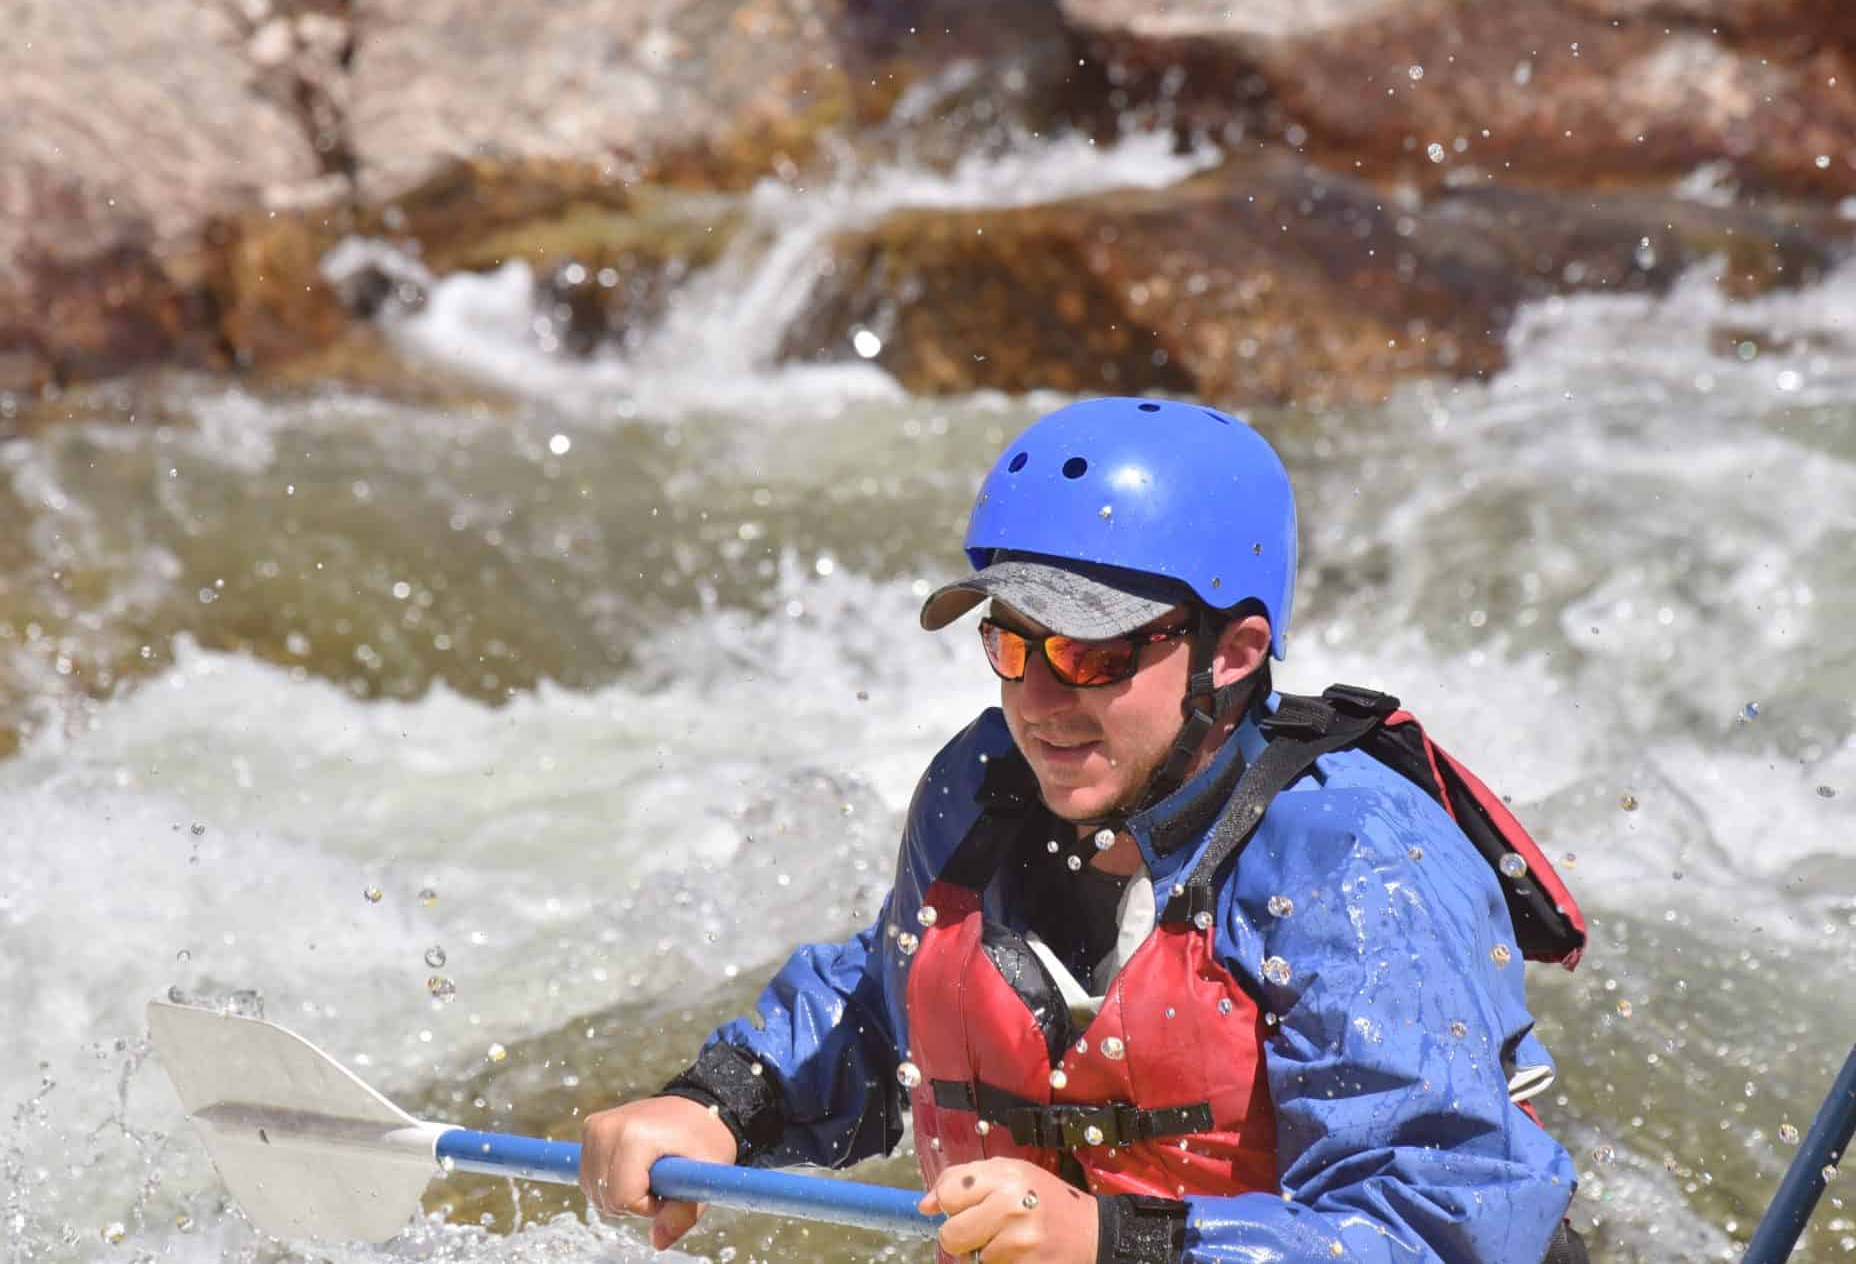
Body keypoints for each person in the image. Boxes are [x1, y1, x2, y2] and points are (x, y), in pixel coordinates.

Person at [580, 396, 1588, 1262]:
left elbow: (1443, 1226)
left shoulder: (1350, 857)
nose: (1039, 700)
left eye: (1089, 654)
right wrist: (716, 1105)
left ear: (1230, 652)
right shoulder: (983, 789)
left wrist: (1113, 1243)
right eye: (1010, 644)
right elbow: (891, 1002)